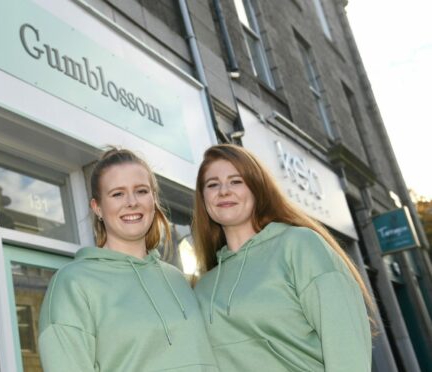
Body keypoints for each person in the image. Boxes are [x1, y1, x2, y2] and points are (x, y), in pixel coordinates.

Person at [192, 144, 373, 371]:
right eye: (212, 184)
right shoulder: (203, 287)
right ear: (204, 198)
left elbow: (346, 344)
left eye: (236, 181)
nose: (224, 191)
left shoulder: (299, 245)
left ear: (257, 188)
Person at [38, 148, 218, 372]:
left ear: (153, 199)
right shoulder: (72, 284)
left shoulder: (178, 280)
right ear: (98, 208)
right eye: (117, 194)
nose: (131, 202)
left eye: (141, 191)